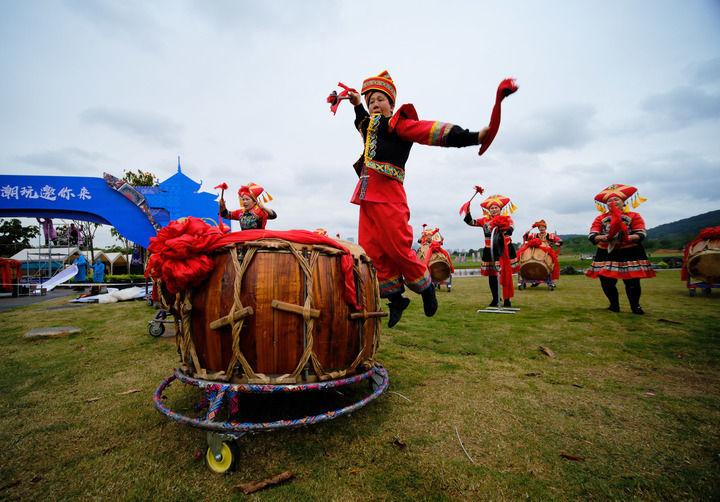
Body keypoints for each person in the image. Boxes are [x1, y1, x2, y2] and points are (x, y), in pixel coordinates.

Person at [345, 70, 493, 327]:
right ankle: (396, 298)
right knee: (372, 249)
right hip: (367, 194)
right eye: (371, 101)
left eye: (380, 99)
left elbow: (430, 131)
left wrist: (473, 137)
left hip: (389, 195)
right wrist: (357, 104)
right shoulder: (370, 127)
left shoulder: (399, 125)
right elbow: (361, 122)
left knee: (397, 247)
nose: (375, 104)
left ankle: (426, 287)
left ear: (392, 104)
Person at [586, 184, 655, 314]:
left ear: (624, 202)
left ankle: (635, 306)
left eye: (616, 199)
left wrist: (628, 237)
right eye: (609, 201)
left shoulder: (634, 216)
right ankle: (614, 305)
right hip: (606, 252)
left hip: (629, 252)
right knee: (606, 281)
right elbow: (592, 235)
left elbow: (641, 233)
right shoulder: (600, 218)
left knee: (632, 281)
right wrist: (605, 237)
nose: (613, 202)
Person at [463, 193, 519, 307]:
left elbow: (511, 228)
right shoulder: (484, 220)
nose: (494, 210)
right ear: (489, 210)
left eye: (496, 208)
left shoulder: (507, 218)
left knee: (506, 274)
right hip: (490, 250)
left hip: (504, 250)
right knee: (492, 276)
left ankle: (507, 300)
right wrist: (467, 212)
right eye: (492, 208)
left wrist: (506, 229)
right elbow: (471, 222)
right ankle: (495, 299)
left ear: (500, 209)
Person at [521, 219, 562, 288]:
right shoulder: (535, 235)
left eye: (543, 227)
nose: (541, 228)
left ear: (545, 228)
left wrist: (558, 242)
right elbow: (527, 238)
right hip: (536, 252)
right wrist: (527, 233)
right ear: (538, 228)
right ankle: (534, 279)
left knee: (552, 262)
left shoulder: (549, 235)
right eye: (540, 227)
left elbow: (558, 240)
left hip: (547, 252)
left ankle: (550, 281)